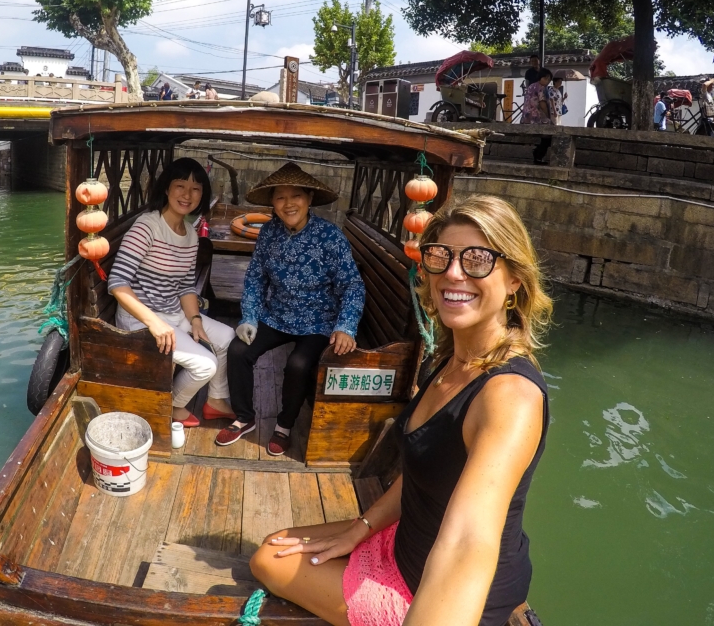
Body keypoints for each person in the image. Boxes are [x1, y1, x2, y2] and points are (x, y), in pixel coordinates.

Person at [249, 194, 552, 626]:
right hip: (405, 542)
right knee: (278, 545)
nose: (453, 273)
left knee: (267, 562)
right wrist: (361, 527)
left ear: (514, 280)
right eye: (440, 256)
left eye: (478, 259)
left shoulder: (509, 396)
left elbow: (468, 541)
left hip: (449, 594)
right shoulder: (448, 361)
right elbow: (423, 472)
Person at [216, 163, 365, 456]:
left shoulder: (330, 236)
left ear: (309, 199)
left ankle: (284, 425)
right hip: (277, 315)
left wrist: (345, 326)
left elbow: (352, 285)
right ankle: (244, 416)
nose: (288, 203)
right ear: (272, 203)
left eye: (296, 196)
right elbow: (255, 279)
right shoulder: (268, 232)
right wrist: (248, 316)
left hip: (318, 320)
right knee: (238, 351)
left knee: (298, 364)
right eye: (280, 197)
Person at [108, 158, 235, 426]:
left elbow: (186, 285)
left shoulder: (189, 234)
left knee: (226, 336)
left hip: (172, 312)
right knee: (205, 365)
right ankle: (171, 405)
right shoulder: (147, 227)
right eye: (180, 186)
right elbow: (117, 282)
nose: (187, 195)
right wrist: (153, 323)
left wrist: (196, 320)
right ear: (166, 188)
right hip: (141, 319)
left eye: (196, 188)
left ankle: (216, 400)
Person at [521, 69, 555, 164]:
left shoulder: (531, 86)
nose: (547, 81)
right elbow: (542, 103)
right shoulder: (542, 88)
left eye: (549, 79)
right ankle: (538, 156)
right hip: (536, 117)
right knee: (552, 133)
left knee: (547, 135)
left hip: (526, 116)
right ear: (540, 77)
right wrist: (548, 117)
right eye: (545, 78)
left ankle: (538, 154)